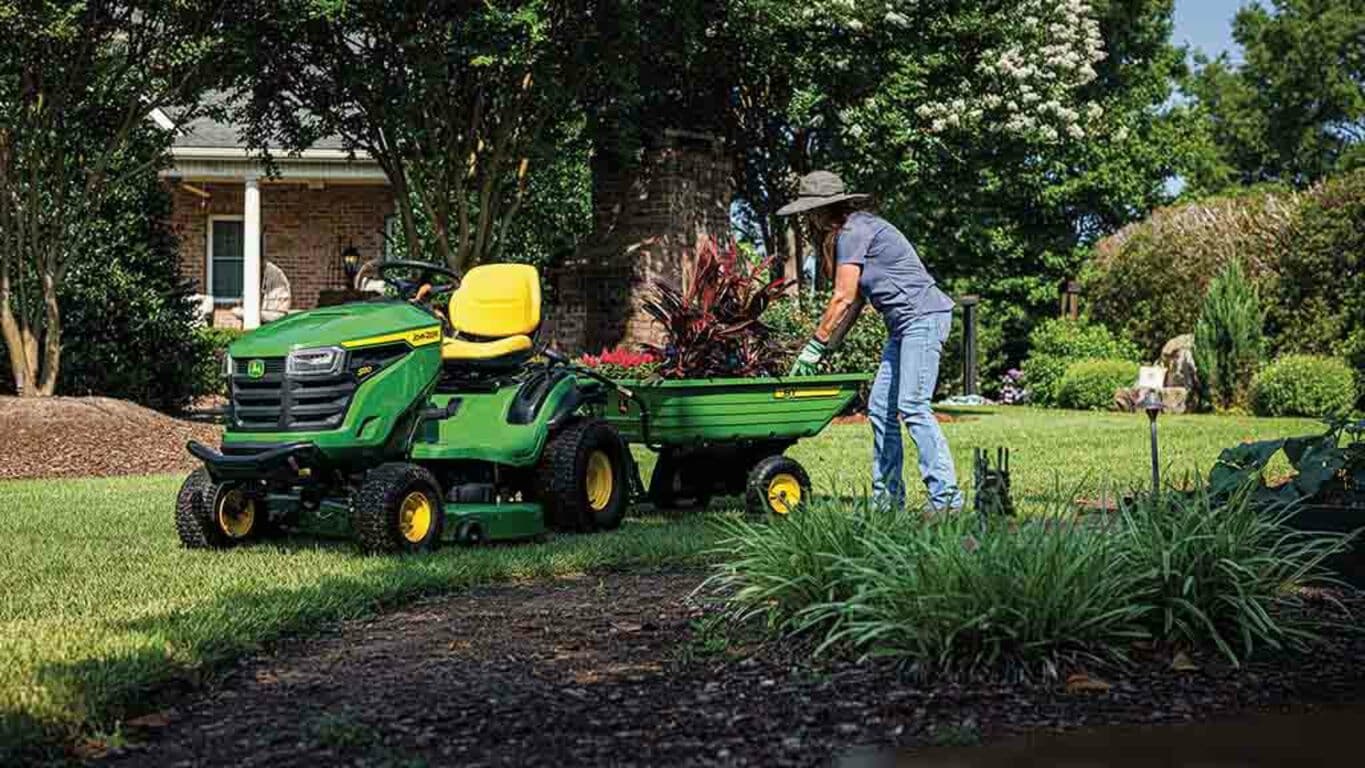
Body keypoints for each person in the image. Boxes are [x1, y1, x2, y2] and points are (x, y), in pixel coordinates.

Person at [778, 170, 963, 512]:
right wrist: (827, 348)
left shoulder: (854, 231)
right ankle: (888, 502)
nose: (807, 219)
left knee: (912, 406)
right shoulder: (850, 232)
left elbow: (842, 297)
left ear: (824, 209)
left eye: (809, 212)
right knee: (880, 409)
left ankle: (946, 500)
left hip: (924, 319)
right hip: (903, 328)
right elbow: (857, 302)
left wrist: (814, 345)